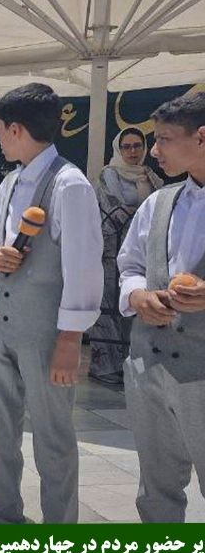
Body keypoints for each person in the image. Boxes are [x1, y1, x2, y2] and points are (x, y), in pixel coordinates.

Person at [0, 83, 103, 553]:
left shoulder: (70, 185)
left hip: (46, 331)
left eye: (0, 130)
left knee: (53, 439)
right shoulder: (10, 181)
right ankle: (4, 528)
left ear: (16, 129)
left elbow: (84, 265)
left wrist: (70, 340)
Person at [112, 92, 205, 553]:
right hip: (149, 363)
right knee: (157, 487)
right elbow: (128, 263)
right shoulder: (159, 202)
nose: (153, 150)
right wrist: (137, 294)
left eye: (165, 139)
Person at [89, 127, 163, 385]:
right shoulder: (108, 176)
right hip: (111, 251)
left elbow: (160, 211)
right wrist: (141, 215)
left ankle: (132, 364)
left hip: (142, 253)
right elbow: (112, 210)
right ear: (118, 149)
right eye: (127, 146)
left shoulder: (151, 176)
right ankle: (105, 366)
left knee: (134, 306)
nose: (132, 151)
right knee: (108, 306)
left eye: (137, 146)